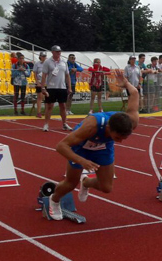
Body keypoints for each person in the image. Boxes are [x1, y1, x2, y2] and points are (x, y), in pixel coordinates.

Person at [45, 73, 139, 220]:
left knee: (107, 187)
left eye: (124, 138)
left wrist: (126, 83)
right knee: (70, 183)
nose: (120, 142)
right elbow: (61, 146)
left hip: (102, 147)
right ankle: (54, 200)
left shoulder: (131, 121)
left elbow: (134, 93)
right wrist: (81, 161)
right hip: (80, 147)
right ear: (108, 127)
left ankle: (87, 182)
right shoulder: (92, 126)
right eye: (117, 138)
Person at [40, 45, 72, 132]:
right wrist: (43, 88)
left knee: (63, 106)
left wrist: (69, 87)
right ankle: (46, 124)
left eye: (60, 52)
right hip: (51, 87)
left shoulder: (64, 62)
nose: (59, 53)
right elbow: (44, 75)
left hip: (62, 87)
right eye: (57, 52)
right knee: (49, 106)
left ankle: (64, 123)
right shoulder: (48, 62)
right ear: (53, 52)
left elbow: (67, 75)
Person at [33, 52, 48, 118]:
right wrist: (37, 82)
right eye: (43, 56)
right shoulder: (37, 64)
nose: (44, 57)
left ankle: (46, 111)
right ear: (40, 57)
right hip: (39, 81)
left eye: (45, 56)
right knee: (40, 97)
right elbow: (35, 73)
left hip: (46, 82)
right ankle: (39, 112)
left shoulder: (48, 64)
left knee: (46, 97)